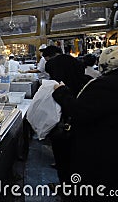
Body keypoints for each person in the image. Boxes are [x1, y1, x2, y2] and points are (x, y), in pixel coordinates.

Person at [52, 46, 118, 200]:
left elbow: (79, 111)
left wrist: (61, 92)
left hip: (103, 151)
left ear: (104, 62)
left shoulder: (104, 85)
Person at [45, 49, 92, 185]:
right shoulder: (86, 81)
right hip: (80, 136)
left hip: (69, 130)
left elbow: (72, 108)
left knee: (66, 156)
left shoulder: (62, 87)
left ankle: (67, 187)